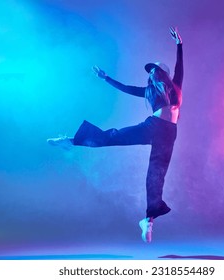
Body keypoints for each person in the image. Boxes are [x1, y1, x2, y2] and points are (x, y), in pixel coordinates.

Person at [47, 27, 183, 243]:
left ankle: (148, 221)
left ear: (162, 73)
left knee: (156, 176)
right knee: (114, 136)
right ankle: (70, 141)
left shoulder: (175, 87)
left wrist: (179, 45)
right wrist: (106, 78)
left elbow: (179, 68)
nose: (150, 73)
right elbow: (127, 88)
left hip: (168, 134)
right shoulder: (149, 91)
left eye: (154, 70)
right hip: (154, 126)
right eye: (150, 72)